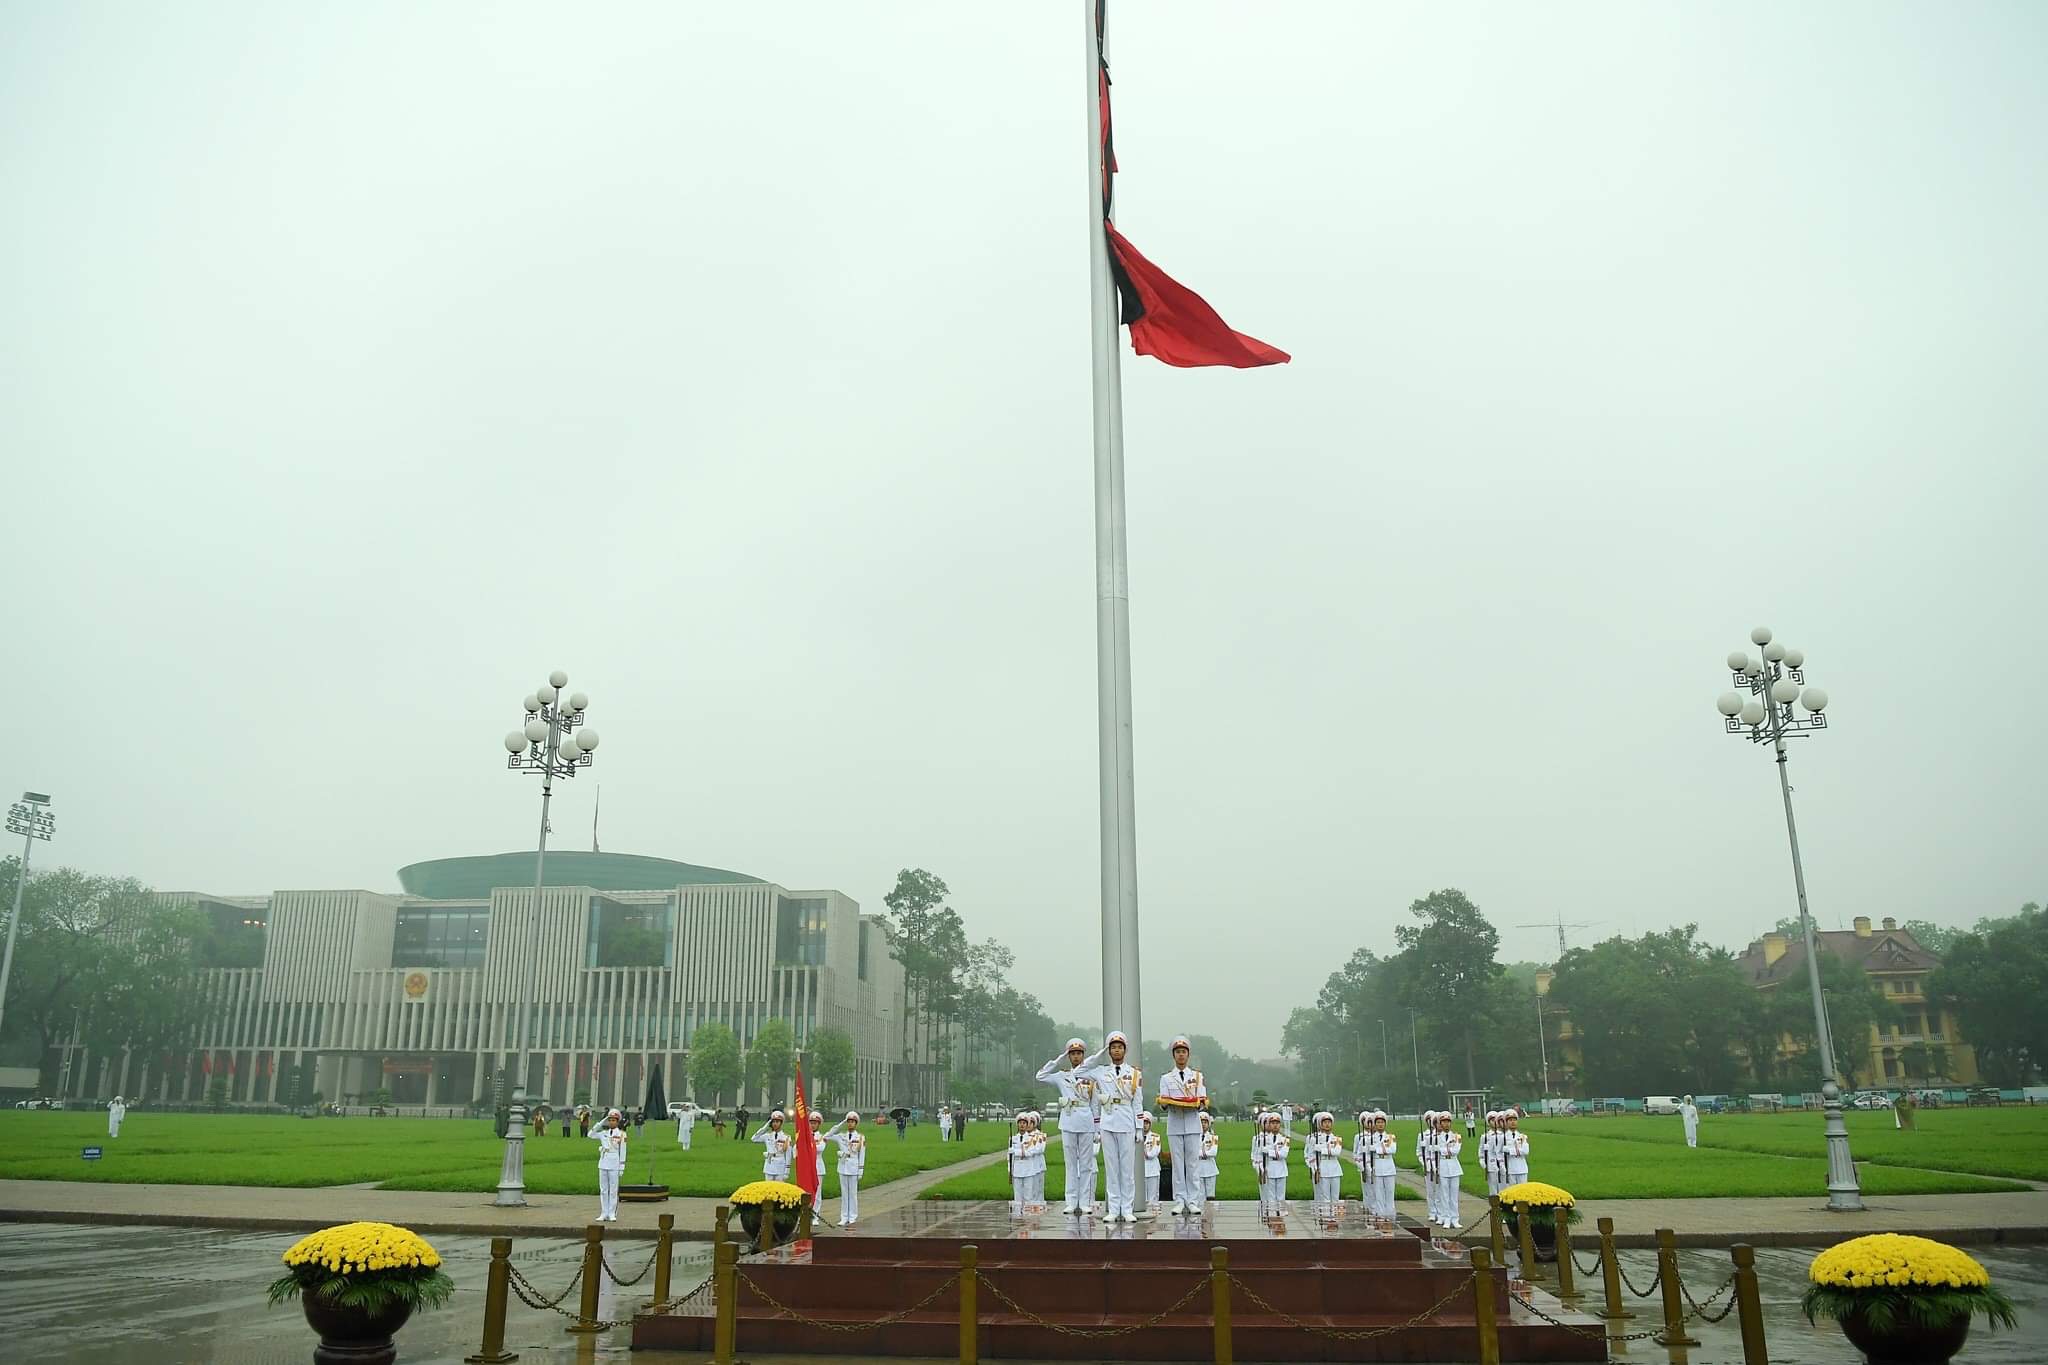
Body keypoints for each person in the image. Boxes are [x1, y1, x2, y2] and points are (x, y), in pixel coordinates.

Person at [1037, 1038, 1106, 1216]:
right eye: (1072, 1054)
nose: (1075, 1056)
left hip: (1086, 1120)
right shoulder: (1062, 1075)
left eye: (1078, 1053)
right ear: (1069, 1056)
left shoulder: (1089, 1077)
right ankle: (1070, 1200)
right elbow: (1041, 1076)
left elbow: (1095, 1105)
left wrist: (1097, 1128)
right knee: (1070, 1164)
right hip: (1068, 1120)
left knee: (1086, 1164)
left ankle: (1084, 1201)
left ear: (1083, 1055)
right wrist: (1058, 1060)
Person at [1083, 1031, 1143, 1222]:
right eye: (1113, 1048)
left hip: (1126, 1121)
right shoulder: (1101, 1072)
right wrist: (1098, 1055)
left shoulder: (1134, 1073)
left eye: (1120, 1047)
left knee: (1126, 1169)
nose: (1116, 1050)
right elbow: (1079, 1071)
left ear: (1125, 1050)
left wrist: (1139, 1127)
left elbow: (1137, 1102)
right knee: (1112, 1168)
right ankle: (1114, 1208)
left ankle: (1127, 1208)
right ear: (1109, 1051)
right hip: (1108, 1122)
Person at [1156, 1035, 1209, 1216]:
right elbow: (1163, 1103)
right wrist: (1167, 1102)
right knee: (1177, 1165)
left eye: (1183, 1052)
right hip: (1175, 1123)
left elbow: (1202, 1101)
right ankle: (1179, 1200)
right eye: (1178, 1052)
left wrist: (1196, 1103)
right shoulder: (1166, 1078)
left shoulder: (1197, 1076)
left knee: (1192, 1164)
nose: (1181, 1055)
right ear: (1174, 1055)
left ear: (1188, 1055)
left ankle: (1193, 1200)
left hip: (1193, 1124)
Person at [825, 1111, 866, 1225]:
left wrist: (860, 1169)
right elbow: (827, 1136)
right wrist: (840, 1124)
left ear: (856, 1123)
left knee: (852, 1193)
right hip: (843, 1166)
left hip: (853, 1166)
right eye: (848, 1121)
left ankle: (852, 1216)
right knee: (844, 1193)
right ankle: (844, 1217)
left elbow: (862, 1154)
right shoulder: (841, 1136)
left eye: (852, 1121)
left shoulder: (860, 1137)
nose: (850, 1124)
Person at [1253, 1110, 1291, 1218]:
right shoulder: (1262, 1139)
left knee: (1280, 1192)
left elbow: (1284, 1154)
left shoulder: (1285, 1139)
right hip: (1269, 1167)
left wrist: (1269, 1152)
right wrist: (1260, 1167)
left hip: (1280, 1167)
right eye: (1272, 1123)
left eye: (1277, 1123)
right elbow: (1258, 1156)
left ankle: (1281, 1210)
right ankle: (1272, 1211)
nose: (1275, 1126)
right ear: (1269, 1124)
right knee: (1270, 1194)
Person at [592, 1108, 628, 1222]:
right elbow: (590, 1134)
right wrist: (601, 1122)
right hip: (603, 1162)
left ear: (617, 1122)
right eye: (610, 1120)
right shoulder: (603, 1133)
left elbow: (623, 1151)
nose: (611, 1122)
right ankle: (604, 1213)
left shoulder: (622, 1134)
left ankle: (612, 1213)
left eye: (614, 1120)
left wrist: (622, 1166)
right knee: (603, 1190)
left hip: (614, 1163)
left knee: (613, 1190)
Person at [1306, 1111, 1343, 1217]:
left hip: (1334, 1168)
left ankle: (1334, 1218)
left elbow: (1337, 1152)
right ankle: (1326, 1217)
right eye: (1324, 1122)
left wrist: (1322, 1150)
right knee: (1324, 1197)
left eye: (1329, 1122)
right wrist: (1314, 1168)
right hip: (1322, 1167)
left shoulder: (1337, 1139)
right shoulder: (1314, 1139)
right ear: (1319, 1124)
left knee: (1335, 1197)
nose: (1327, 1124)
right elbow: (1310, 1156)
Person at [1433, 1112, 1465, 1228]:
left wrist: (1442, 1150)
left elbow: (1456, 1151)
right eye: (1443, 1122)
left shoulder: (1457, 1136)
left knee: (1454, 1195)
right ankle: (1446, 1218)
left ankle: (1455, 1218)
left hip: (1454, 1165)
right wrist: (1442, 1150)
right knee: (1444, 1194)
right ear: (1440, 1124)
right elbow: (1433, 1151)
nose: (1446, 1124)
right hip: (1443, 1166)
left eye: (1448, 1122)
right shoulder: (1436, 1137)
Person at [1368, 1111, 1399, 1220]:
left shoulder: (1391, 1137)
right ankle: (1380, 1214)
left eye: (1382, 1122)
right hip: (1377, 1166)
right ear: (1375, 1124)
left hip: (1389, 1166)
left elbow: (1392, 1150)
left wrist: (1377, 1149)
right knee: (1379, 1193)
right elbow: (1368, 1153)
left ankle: (1390, 1214)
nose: (1380, 1124)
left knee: (1390, 1192)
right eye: (1378, 1122)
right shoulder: (1371, 1138)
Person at [751, 1109, 794, 1181]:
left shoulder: (786, 1137)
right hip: (769, 1164)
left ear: (781, 1123)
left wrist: (787, 1171)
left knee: (779, 1189)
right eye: (773, 1121)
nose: (775, 1124)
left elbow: (788, 1155)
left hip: (780, 1166)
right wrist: (765, 1127)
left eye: (777, 1122)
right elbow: (754, 1138)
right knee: (768, 1188)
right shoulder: (767, 1136)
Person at [1008, 1112, 1032, 1217]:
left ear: (1027, 1125)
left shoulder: (1031, 1138)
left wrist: (1016, 1152)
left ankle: (1027, 1215)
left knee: (1028, 1194)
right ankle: (1018, 1215)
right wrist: (1010, 1170)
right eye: (1020, 1123)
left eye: (1024, 1123)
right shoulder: (1012, 1139)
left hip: (1028, 1169)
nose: (1022, 1125)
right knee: (1017, 1195)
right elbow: (1009, 1157)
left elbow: (1030, 1152)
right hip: (1016, 1169)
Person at [1502, 1110, 1531, 1186]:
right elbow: (1501, 1151)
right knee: (1512, 1193)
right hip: (1510, 1168)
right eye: (1510, 1120)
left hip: (1522, 1168)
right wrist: (1518, 1151)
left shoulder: (1522, 1136)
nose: (1513, 1122)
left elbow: (1525, 1151)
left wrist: (1510, 1151)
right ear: (1506, 1122)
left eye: (1514, 1120)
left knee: (1523, 1191)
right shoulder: (1503, 1137)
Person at [1141, 1112, 1163, 1203]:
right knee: (1142, 1197)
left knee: (1152, 1197)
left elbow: (1153, 1153)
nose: (1144, 1125)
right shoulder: (1135, 1137)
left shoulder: (1155, 1137)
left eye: (1147, 1123)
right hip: (1140, 1170)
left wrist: (1144, 1153)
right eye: (1143, 1123)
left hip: (1152, 1169)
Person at [1197, 1113, 1220, 1200]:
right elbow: (1192, 1152)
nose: (1203, 1125)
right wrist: (1205, 1152)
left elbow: (1213, 1152)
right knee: (1200, 1195)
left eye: (1205, 1122)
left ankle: (1210, 1212)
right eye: (1201, 1122)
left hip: (1210, 1169)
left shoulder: (1213, 1137)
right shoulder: (1193, 1138)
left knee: (1210, 1195)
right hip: (1198, 1169)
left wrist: (1200, 1153)